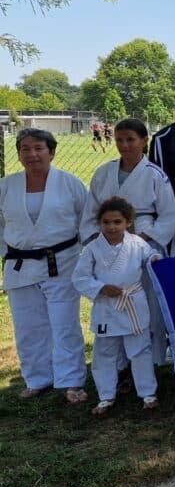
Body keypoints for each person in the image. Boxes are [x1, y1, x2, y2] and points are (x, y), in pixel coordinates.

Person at [0, 129, 88, 404]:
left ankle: (72, 380)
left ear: (51, 151)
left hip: (62, 261)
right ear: (19, 153)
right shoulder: (5, 185)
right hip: (20, 264)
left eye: (38, 148)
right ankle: (37, 378)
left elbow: (85, 221)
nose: (32, 154)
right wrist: (8, 253)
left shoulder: (70, 183)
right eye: (25, 149)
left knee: (64, 324)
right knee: (28, 326)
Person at [82, 118, 175, 367]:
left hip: (144, 242)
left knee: (147, 301)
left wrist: (144, 238)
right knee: (115, 298)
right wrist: (98, 241)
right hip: (109, 243)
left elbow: (169, 215)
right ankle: (120, 363)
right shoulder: (104, 173)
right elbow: (92, 211)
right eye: (119, 140)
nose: (124, 146)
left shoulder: (156, 175)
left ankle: (153, 359)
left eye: (130, 140)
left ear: (144, 141)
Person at [72, 197, 162, 414]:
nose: (111, 227)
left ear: (128, 222)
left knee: (140, 350)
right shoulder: (93, 248)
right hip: (107, 305)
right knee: (104, 352)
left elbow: (150, 255)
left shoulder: (138, 244)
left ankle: (148, 393)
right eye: (106, 222)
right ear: (99, 223)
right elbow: (80, 278)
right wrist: (100, 288)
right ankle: (105, 396)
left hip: (132, 302)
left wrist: (156, 258)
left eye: (117, 222)